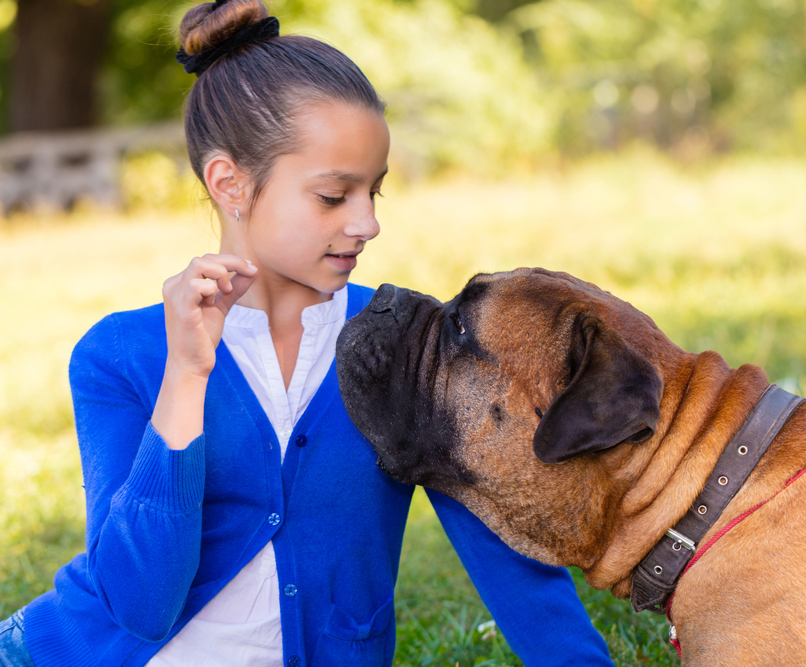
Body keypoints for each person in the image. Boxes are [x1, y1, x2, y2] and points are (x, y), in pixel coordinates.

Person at [0, 1, 615, 665]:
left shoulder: (408, 353)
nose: (367, 223)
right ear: (230, 184)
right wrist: (185, 376)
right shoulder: (118, 355)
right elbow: (140, 601)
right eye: (333, 196)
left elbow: (506, 554)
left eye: (373, 193)